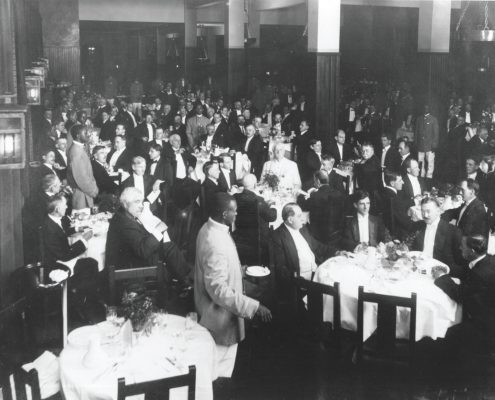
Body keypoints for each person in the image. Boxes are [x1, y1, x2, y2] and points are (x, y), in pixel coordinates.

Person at [194, 192, 272, 378]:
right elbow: (218, 289)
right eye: (234, 212)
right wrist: (253, 306)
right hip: (220, 322)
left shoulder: (207, 228)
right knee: (219, 375)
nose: (236, 215)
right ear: (224, 214)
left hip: (209, 315)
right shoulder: (216, 242)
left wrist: (241, 270)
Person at [105, 187, 190, 281]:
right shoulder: (125, 223)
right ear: (125, 204)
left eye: (141, 202)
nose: (141, 206)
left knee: (168, 247)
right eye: (137, 202)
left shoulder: (123, 214)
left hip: (133, 259)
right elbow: (143, 251)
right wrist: (157, 230)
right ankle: (183, 281)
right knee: (168, 249)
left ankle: (182, 280)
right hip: (129, 269)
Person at [433, 235, 495, 364]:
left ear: (472, 251)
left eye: (463, 246)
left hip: (484, 326)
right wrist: (445, 269)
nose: (460, 247)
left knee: (445, 331)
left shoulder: (481, 274)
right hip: (485, 311)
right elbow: (466, 271)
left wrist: (441, 277)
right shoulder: (485, 259)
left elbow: (459, 294)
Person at [41, 194, 102, 322]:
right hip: (57, 265)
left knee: (91, 262)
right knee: (91, 264)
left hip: (61, 257)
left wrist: (78, 228)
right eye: (64, 205)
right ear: (57, 209)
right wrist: (84, 240)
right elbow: (64, 255)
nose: (67, 206)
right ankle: (82, 304)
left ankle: (85, 300)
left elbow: (62, 232)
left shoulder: (53, 220)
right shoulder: (49, 228)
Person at [271, 203, 336, 298]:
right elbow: (281, 270)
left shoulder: (302, 229)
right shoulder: (277, 237)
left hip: (316, 275)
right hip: (300, 284)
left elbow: (318, 246)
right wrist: (302, 283)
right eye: (299, 216)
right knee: (334, 294)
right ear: (290, 219)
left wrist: (336, 252)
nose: (303, 219)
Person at [412, 197, 464, 278]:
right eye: (423, 211)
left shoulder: (453, 232)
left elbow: (460, 264)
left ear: (438, 211)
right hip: (418, 272)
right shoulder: (419, 226)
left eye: (428, 211)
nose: (425, 215)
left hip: (440, 277)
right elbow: (414, 251)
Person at [232, 174, 277, 264]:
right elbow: (272, 217)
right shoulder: (258, 200)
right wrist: (273, 206)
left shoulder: (236, 197)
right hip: (258, 239)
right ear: (255, 185)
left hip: (241, 235)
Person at [298, 170, 345, 246]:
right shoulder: (338, 194)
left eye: (315, 181)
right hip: (338, 233)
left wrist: (310, 195)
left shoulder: (315, 196)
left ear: (318, 181)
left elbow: (302, 206)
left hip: (320, 237)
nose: (314, 183)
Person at [67, 125, 99, 209]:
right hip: (82, 195)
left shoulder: (78, 148)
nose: (88, 134)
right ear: (78, 135)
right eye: (85, 132)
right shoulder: (76, 152)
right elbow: (81, 178)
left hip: (84, 192)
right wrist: (93, 191)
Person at [381, 170, 418, 240]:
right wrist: (421, 223)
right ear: (392, 183)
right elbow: (406, 223)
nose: (403, 182)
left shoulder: (386, 192)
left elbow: (401, 203)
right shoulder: (394, 199)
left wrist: (413, 200)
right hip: (399, 233)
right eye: (400, 180)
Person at [415, 105, 439, 179]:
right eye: (424, 108)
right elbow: (416, 132)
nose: (425, 109)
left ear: (429, 109)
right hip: (421, 145)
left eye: (427, 108)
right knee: (420, 161)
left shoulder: (433, 119)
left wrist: (434, 145)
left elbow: (436, 133)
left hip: (429, 145)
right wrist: (416, 143)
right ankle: (421, 175)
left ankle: (429, 177)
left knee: (430, 162)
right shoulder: (419, 119)